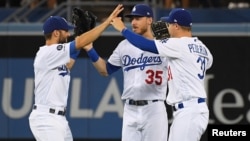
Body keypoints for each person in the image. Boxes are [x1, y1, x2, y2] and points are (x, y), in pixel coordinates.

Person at [111, 8, 213, 141]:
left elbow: (145, 45)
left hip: (189, 109)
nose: (167, 27)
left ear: (176, 26)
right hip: (192, 109)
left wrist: (123, 29)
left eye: (169, 24)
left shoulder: (178, 45)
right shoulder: (203, 48)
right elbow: (208, 62)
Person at [28, 4, 123, 141]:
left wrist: (81, 40)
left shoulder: (56, 56)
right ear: (56, 33)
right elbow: (78, 42)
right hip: (46, 119)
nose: (68, 34)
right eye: (66, 31)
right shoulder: (47, 53)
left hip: (58, 119)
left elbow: (69, 64)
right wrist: (107, 23)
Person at [82, 4, 169, 141]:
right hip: (130, 109)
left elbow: (144, 44)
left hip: (154, 108)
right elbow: (105, 70)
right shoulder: (124, 46)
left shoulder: (163, 45)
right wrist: (90, 50)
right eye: (132, 19)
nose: (133, 22)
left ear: (150, 20)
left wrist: (122, 29)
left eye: (138, 18)